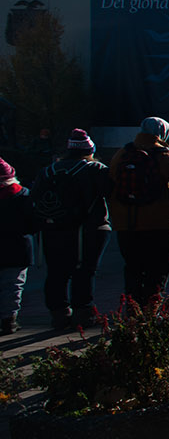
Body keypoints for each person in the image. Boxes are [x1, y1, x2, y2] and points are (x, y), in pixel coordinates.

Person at [107, 117, 169, 303]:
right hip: (161, 223)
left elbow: (111, 183)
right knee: (158, 270)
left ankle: (132, 309)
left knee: (133, 269)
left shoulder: (122, 154)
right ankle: (152, 311)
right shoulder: (167, 156)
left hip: (126, 223)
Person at [36, 129, 111, 329]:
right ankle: (83, 313)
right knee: (84, 271)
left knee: (56, 272)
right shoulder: (95, 169)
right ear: (90, 149)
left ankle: (58, 313)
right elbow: (112, 192)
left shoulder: (48, 171)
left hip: (53, 228)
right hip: (88, 229)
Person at [0, 157, 35, 334]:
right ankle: (9, 320)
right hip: (18, 247)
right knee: (13, 285)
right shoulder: (23, 195)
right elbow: (33, 224)